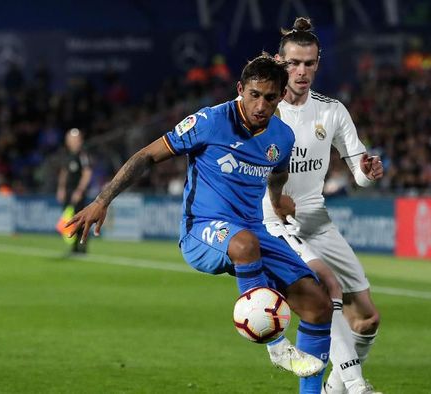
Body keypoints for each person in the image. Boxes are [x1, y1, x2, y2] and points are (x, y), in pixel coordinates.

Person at [65, 54, 333, 394]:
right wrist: (102, 200)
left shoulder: (282, 136)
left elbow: (279, 170)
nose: (260, 105)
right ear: (240, 90)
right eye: (254, 94)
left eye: (269, 97)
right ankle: (277, 347)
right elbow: (146, 155)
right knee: (245, 244)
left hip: (252, 231)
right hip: (201, 230)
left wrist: (277, 198)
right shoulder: (208, 121)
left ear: (281, 96)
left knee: (318, 305)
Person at [261, 18, 384, 394]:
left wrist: (367, 171)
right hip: (275, 221)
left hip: (317, 220)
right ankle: (357, 385)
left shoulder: (331, 111)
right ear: (281, 63)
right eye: (294, 63)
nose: (302, 71)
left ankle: (335, 388)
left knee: (367, 319)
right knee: (325, 289)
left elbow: (359, 173)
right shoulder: (262, 110)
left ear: (318, 63)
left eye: (309, 63)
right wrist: (271, 198)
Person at [56, 128, 92, 254]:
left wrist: (80, 190)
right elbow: (64, 172)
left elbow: (87, 173)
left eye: (75, 139)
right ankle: (74, 246)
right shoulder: (67, 155)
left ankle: (82, 246)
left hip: (78, 192)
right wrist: (61, 189)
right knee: (69, 219)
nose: (72, 142)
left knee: (80, 219)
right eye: (70, 139)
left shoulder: (82, 154)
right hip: (68, 191)